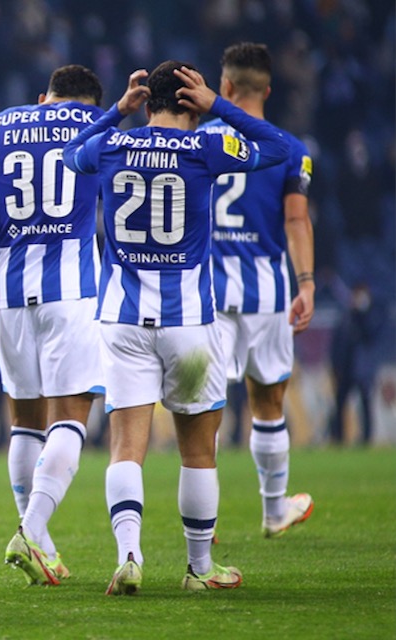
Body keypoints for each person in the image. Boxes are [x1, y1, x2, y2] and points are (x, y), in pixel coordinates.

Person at [64, 61, 290, 594]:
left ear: (146, 103)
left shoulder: (112, 147)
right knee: (197, 451)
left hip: (122, 321)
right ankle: (199, 569)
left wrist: (114, 114)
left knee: (125, 448)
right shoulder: (206, 149)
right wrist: (219, 107)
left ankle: (129, 555)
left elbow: (73, 151)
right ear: (191, 103)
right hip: (188, 325)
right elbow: (278, 147)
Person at [0, 64, 112, 586]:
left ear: (43, 98)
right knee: (72, 419)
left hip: (7, 296)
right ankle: (32, 528)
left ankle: (43, 547)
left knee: (25, 423)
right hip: (72, 291)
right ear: (90, 102)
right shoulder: (99, 130)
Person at [200, 42, 316, 538]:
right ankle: (273, 512)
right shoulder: (290, 149)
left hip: (204, 294)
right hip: (265, 291)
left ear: (224, 87)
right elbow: (296, 218)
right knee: (268, 402)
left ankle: (205, 520)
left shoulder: (196, 138)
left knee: (205, 409)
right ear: (267, 90)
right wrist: (306, 282)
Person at [329, 282, 385, 444]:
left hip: (363, 369)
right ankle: (339, 438)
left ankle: (366, 438)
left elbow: (372, 337)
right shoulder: (345, 316)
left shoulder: (372, 315)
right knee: (340, 404)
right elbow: (336, 344)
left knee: (365, 405)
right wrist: (335, 365)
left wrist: (361, 314)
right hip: (345, 368)